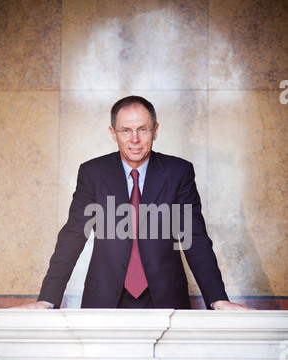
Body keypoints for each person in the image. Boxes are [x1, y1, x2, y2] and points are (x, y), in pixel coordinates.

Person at [18, 95, 253, 311]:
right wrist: (47, 300)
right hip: (104, 300)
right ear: (113, 133)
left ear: (156, 130)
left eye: (143, 129)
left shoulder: (178, 173)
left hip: (166, 299)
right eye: (126, 130)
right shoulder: (92, 173)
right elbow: (72, 237)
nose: (135, 139)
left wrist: (218, 299)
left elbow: (195, 240)